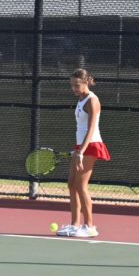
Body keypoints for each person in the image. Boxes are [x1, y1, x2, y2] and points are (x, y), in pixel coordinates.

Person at [57, 69, 110, 238]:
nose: (74, 88)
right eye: (71, 85)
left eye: (77, 85)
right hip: (80, 146)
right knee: (72, 184)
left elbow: (91, 128)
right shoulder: (80, 99)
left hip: (91, 145)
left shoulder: (92, 101)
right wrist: (77, 149)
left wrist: (81, 151)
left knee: (81, 185)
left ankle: (89, 226)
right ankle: (75, 225)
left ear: (86, 82)